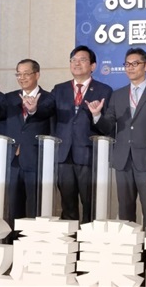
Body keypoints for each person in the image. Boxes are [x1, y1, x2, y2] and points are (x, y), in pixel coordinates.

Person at [92, 48, 146, 226]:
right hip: (122, 159)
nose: (130, 68)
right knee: (125, 209)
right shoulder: (117, 95)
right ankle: (128, 241)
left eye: (135, 63)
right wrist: (97, 115)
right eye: (127, 64)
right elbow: (107, 126)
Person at [0, 59, 56, 222]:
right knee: (12, 205)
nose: (22, 78)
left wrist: (33, 109)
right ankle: (13, 236)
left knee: (35, 205)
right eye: (18, 74)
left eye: (26, 74)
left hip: (36, 159)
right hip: (12, 159)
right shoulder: (10, 97)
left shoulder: (49, 98)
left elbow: (46, 113)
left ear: (37, 75)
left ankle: (32, 236)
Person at [52, 45, 113, 223]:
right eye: (73, 60)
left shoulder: (104, 90)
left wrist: (97, 115)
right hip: (63, 156)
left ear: (93, 66)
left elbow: (108, 126)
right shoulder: (59, 89)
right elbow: (50, 118)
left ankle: (88, 239)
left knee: (90, 205)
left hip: (89, 156)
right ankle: (70, 239)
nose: (77, 63)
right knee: (67, 205)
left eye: (82, 60)